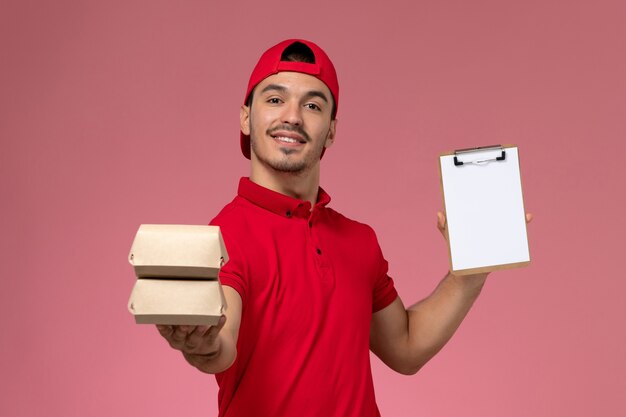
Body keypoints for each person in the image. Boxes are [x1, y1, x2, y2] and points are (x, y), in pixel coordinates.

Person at [156, 39, 531, 416]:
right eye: (274, 100)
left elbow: (406, 347)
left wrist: (471, 272)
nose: (293, 116)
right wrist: (202, 343)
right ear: (245, 117)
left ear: (331, 130)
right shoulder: (225, 233)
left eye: (313, 105)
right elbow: (223, 342)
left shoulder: (359, 241)